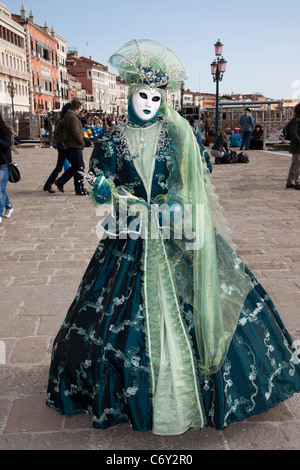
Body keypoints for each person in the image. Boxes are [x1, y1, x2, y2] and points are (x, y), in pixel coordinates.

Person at [46, 39, 300, 435]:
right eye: (141, 95)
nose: (147, 102)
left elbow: (198, 177)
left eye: (155, 96)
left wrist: (177, 205)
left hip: (176, 230)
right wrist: (101, 190)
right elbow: (104, 183)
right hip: (127, 235)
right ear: (130, 95)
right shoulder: (111, 141)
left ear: (163, 99)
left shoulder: (180, 136)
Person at [54, 99, 88, 196]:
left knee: (76, 167)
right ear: (78, 107)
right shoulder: (72, 117)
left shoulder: (69, 115)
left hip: (70, 145)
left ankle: (79, 188)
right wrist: (82, 142)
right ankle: (63, 182)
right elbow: (75, 132)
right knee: (80, 167)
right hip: (74, 145)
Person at [43, 103, 72, 194]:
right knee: (75, 166)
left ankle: (50, 184)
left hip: (62, 146)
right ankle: (57, 182)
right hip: (64, 147)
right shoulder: (63, 120)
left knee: (62, 167)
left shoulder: (61, 119)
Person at [0, 113, 14, 223]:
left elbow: (7, 145)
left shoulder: (5, 131)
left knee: (0, 189)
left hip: (3, 163)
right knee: (1, 189)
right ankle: (9, 206)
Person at [286, 103, 300, 189]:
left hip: (297, 145)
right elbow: (293, 133)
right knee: (297, 164)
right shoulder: (295, 120)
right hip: (297, 146)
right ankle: (298, 182)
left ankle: (289, 182)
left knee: (295, 164)